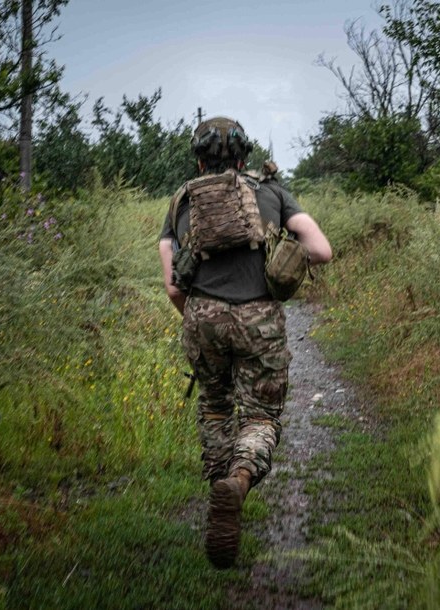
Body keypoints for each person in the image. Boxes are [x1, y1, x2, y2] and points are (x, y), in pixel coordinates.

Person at [157, 116, 332, 568]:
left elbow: (174, 287)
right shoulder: (271, 191)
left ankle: (219, 484)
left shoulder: (181, 200)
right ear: (244, 156)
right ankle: (237, 480)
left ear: (199, 159)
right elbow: (321, 250)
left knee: (215, 404)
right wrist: (281, 256)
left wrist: (200, 320)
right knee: (259, 414)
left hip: (202, 316)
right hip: (260, 318)